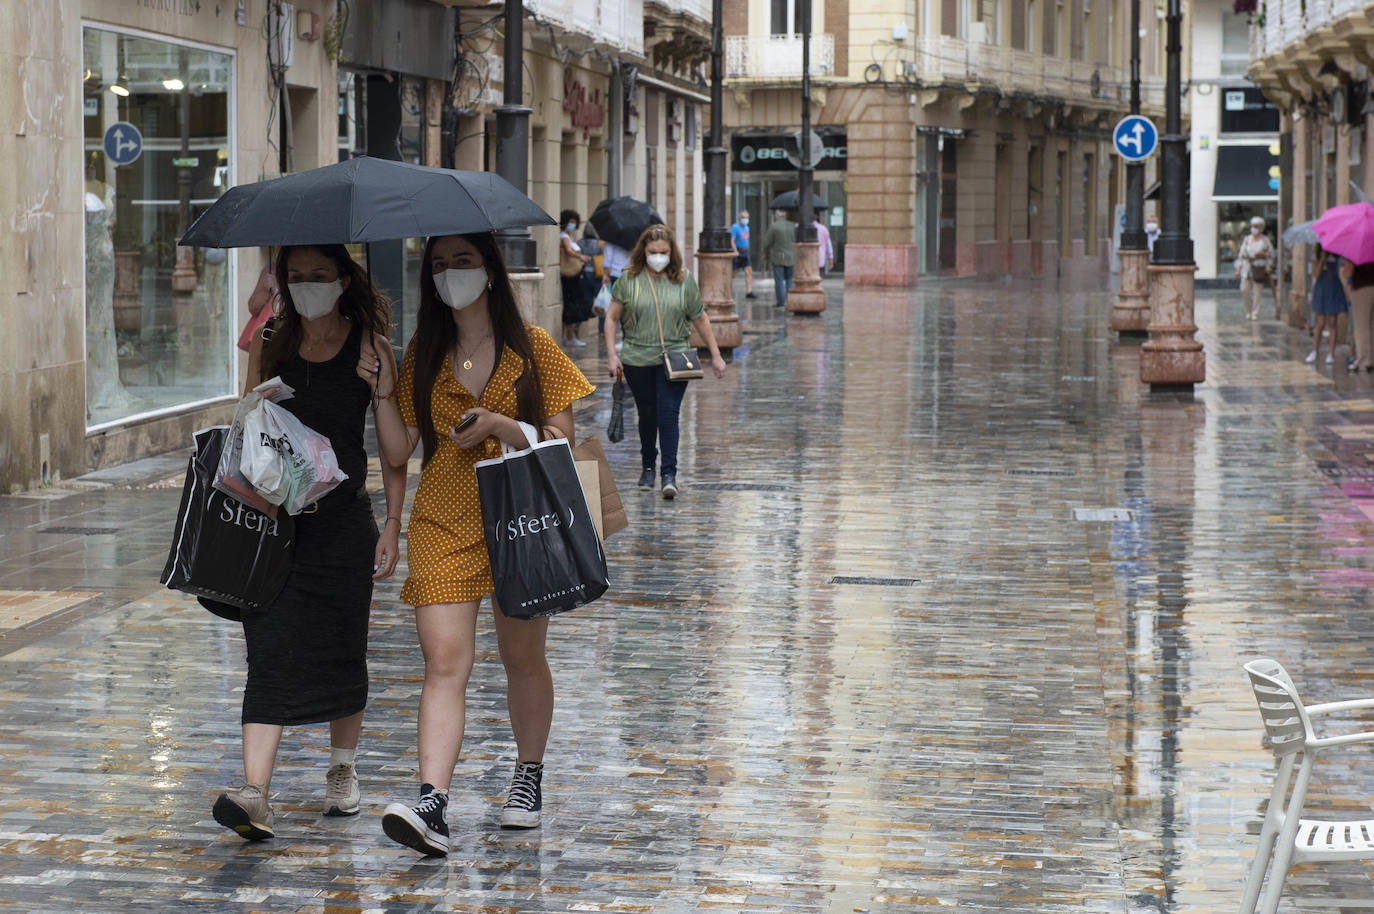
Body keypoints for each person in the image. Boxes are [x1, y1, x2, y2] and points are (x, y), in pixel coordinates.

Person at [373, 232, 595, 856]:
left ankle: (527, 777)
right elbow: (398, 449)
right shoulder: (423, 350)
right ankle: (431, 802)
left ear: (490, 272)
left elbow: (562, 439)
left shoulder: (533, 348)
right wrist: (385, 390)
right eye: (439, 265)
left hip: (520, 516)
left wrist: (502, 427)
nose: (450, 274)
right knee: (445, 663)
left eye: (463, 262)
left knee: (522, 656)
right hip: (444, 514)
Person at [214, 244, 408, 842]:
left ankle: (342, 769)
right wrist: (256, 405)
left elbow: (398, 455)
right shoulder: (270, 339)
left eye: (319, 277)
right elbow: (243, 427)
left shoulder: (371, 349)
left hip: (343, 523)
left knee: (341, 645)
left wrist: (394, 524)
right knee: (267, 647)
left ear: (343, 280)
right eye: (297, 277)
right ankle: (255, 793)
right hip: (273, 527)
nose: (307, 287)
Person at [603, 224, 728, 499]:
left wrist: (716, 354)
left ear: (672, 253)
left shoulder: (684, 280)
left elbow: (700, 318)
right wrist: (612, 354)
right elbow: (611, 318)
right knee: (647, 415)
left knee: (668, 414)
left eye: (663, 252)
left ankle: (669, 474)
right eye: (652, 252)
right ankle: (648, 464)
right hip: (637, 358)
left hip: (675, 358)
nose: (658, 256)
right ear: (643, 252)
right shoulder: (628, 279)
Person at [1307, 244, 1349, 366]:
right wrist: (1322, 258)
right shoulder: (1317, 255)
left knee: (1332, 322)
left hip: (1334, 287)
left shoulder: (1338, 256)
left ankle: (1331, 353)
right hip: (1321, 288)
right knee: (1320, 322)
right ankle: (1315, 351)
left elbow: (1342, 270)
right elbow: (1316, 274)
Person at [558, 209, 593, 347]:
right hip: (570, 276)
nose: (572, 224)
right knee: (571, 304)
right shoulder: (564, 237)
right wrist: (581, 257)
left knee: (572, 304)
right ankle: (570, 336)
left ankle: (569, 335)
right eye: (570, 222)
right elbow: (568, 251)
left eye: (574, 222)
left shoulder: (568, 236)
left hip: (574, 275)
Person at [1236, 216, 1275, 321]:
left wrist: (1263, 255)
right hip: (1247, 269)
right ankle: (1249, 310)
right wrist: (1238, 268)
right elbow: (1241, 255)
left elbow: (1271, 254)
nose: (1254, 228)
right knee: (1244, 290)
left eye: (1256, 226)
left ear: (1261, 228)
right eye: (1252, 226)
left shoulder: (1265, 240)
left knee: (1257, 292)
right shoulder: (1247, 239)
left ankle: (1255, 312)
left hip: (1259, 268)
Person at [762, 210, 797, 308]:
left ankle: (781, 302)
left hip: (778, 257)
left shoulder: (774, 227)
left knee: (779, 280)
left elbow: (767, 242)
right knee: (790, 280)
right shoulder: (793, 226)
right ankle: (790, 301)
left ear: (777, 217)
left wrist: (765, 252)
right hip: (791, 257)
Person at [1344, 258, 1374, 371]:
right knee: (1371, 325)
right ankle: (1371, 359)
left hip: (1361, 287)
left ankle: (1363, 361)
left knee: (1361, 326)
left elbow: (1348, 272)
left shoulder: (1356, 249)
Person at [730, 210, 756, 298]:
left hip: (745, 252)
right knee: (733, 273)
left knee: (749, 272)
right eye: (744, 217)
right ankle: (727, 289)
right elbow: (732, 240)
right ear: (740, 218)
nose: (746, 219)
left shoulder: (747, 228)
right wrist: (735, 251)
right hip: (737, 252)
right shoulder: (735, 227)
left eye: (747, 218)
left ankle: (749, 292)